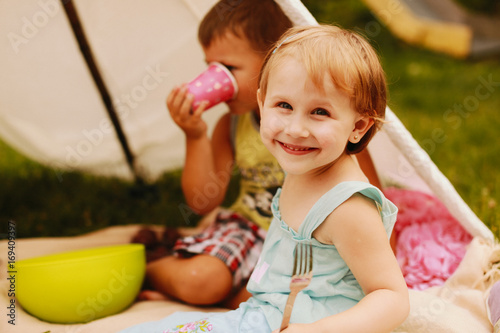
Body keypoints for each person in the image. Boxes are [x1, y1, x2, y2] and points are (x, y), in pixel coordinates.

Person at [121, 24, 409, 333]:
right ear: (262, 103)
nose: (295, 129)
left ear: (359, 126)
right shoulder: (307, 164)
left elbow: (392, 297)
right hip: (266, 316)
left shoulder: (346, 207)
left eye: (320, 112)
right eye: (284, 106)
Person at [136, 0, 293, 307]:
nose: (220, 79)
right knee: (203, 282)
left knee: (270, 301)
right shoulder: (233, 125)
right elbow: (203, 201)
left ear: (279, 61)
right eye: (212, 67)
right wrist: (194, 136)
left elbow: (367, 197)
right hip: (246, 231)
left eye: (229, 68)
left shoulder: (321, 127)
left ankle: (214, 292)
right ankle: (152, 268)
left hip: (296, 242)